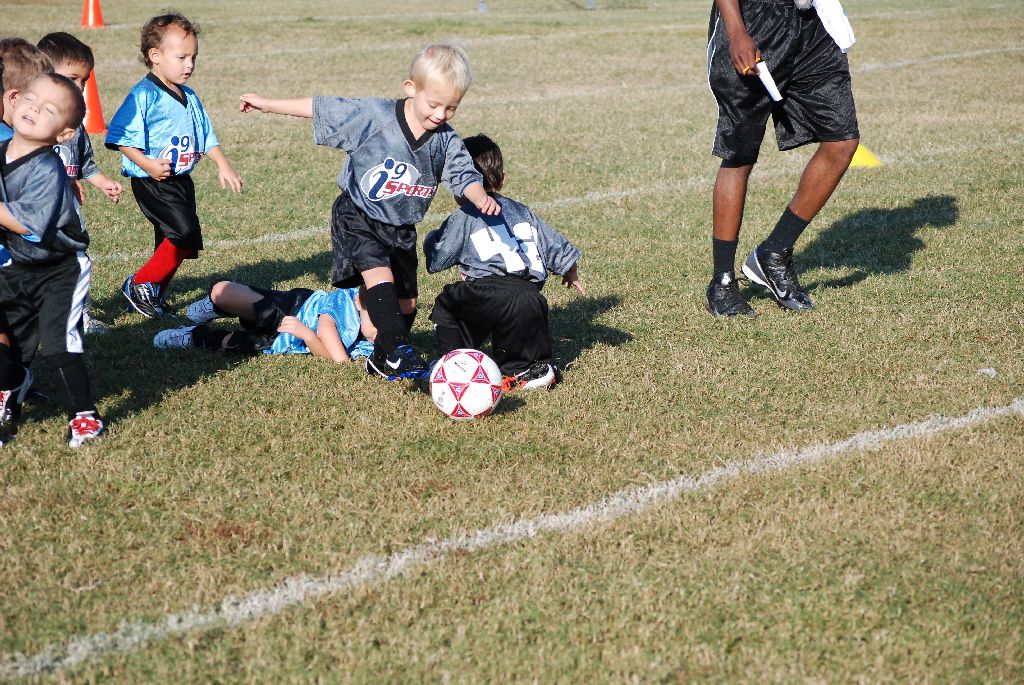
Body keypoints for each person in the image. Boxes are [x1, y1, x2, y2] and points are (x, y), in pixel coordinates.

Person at [238, 42, 499, 382]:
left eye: (451, 107)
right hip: (357, 214)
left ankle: (381, 353)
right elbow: (322, 108)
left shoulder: (446, 140)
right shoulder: (375, 116)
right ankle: (395, 349)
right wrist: (268, 104)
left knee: (405, 305)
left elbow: (464, 175)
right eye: (434, 104)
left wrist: (478, 195)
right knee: (379, 277)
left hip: (401, 227)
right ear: (411, 88)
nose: (441, 115)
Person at [705, 0, 860, 316]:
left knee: (842, 141)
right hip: (754, 19)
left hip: (812, 24)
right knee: (739, 155)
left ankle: (773, 253)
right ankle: (722, 281)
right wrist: (736, 31)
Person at [105, 13, 242, 319]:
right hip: (153, 181)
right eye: (181, 57)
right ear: (155, 56)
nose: (189, 65)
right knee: (183, 233)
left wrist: (223, 165)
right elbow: (120, 137)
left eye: (193, 58)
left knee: (178, 242)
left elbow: (206, 136)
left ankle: (153, 294)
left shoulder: (189, 96)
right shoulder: (143, 95)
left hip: (181, 181)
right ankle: (139, 284)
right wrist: (148, 164)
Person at [423, 134, 584, 391]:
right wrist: (570, 271)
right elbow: (556, 246)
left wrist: (431, 240)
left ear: (457, 184)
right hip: (529, 297)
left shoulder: (464, 215)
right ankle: (527, 371)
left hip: (483, 292)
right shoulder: (522, 211)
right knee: (521, 343)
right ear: (502, 180)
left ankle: (453, 362)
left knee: (448, 305)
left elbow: (438, 260)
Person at [0, 73, 105, 447]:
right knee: (13, 342)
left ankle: (85, 416)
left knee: (59, 344)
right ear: (14, 100)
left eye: (49, 109)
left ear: (64, 133)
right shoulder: (2, 151)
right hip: (18, 265)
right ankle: (14, 384)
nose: (34, 109)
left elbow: (27, 224)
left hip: (60, 269)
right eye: (30, 99)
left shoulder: (47, 167)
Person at [37, 32, 124, 335]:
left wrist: (102, 181)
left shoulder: (75, 122)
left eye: (84, 81)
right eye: (72, 78)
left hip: (69, 212)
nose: (80, 87)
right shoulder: (31, 121)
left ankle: (80, 317)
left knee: (77, 260)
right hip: (36, 215)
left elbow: (83, 162)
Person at [153, 281, 376, 362]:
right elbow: (335, 349)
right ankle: (217, 306)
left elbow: (333, 356)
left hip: (289, 338)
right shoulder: (345, 301)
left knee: (236, 343)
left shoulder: (379, 338)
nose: (378, 331)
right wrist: (311, 333)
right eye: (376, 320)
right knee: (221, 291)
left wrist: (307, 335)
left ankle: (194, 336)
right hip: (294, 307)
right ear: (358, 301)